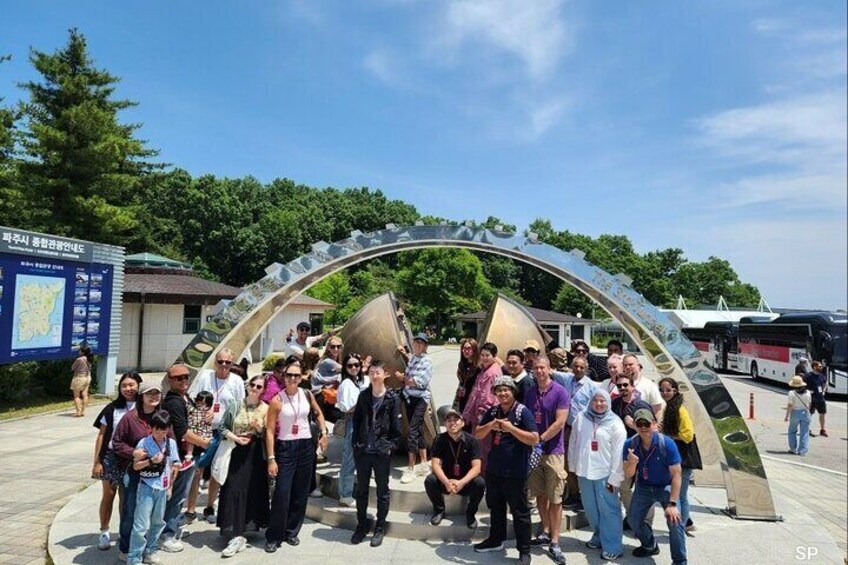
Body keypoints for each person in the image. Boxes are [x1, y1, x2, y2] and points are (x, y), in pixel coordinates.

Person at [473, 376, 539, 565]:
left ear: (513, 391)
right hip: (495, 470)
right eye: (499, 390)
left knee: (520, 513)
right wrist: (490, 425)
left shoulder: (522, 412)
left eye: (506, 390)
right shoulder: (493, 411)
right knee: (496, 508)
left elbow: (534, 438)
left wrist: (511, 429)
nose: (502, 394)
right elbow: (478, 433)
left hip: (516, 472)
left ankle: (524, 550)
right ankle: (495, 540)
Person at [265, 360, 328, 552]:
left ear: (301, 378)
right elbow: (269, 431)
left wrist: (324, 433)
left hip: (305, 446)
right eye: (289, 375)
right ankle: (274, 535)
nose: (293, 378)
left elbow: (318, 414)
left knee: (300, 493)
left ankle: (292, 531)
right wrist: (271, 458)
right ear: (284, 377)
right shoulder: (277, 400)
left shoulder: (307, 394)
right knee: (282, 493)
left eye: (296, 375)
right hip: (286, 447)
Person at [111, 380, 172, 561]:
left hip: (158, 477)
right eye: (149, 393)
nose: (154, 397)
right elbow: (117, 442)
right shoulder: (130, 418)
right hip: (136, 474)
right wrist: (133, 452)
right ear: (141, 396)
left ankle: (149, 550)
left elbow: (171, 441)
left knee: (155, 517)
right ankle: (127, 548)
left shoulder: (163, 416)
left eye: (157, 393)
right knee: (131, 511)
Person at [187, 348, 245, 523]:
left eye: (228, 362)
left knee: (217, 470)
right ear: (215, 362)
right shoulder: (205, 376)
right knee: (197, 470)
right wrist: (202, 411)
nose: (224, 365)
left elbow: (240, 406)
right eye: (221, 362)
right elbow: (192, 398)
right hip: (202, 430)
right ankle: (190, 509)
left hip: (223, 431)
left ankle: (210, 506)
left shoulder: (237, 381)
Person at [568, 388, 627, 561]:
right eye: (596, 400)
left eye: (603, 401)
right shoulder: (581, 417)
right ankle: (599, 536)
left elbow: (618, 453)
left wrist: (615, 477)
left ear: (608, 402)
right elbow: (573, 442)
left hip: (605, 474)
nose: (599, 404)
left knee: (609, 510)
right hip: (585, 471)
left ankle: (613, 546)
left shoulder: (615, 423)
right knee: (591, 509)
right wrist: (572, 465)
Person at [624, 408, 687, 565]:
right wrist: (632, 462)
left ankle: (680, 561)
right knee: (633, 520)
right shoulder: (630, 444)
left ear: (653, 423)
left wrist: (672, 503)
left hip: (665, 486)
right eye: (640, 423)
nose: (644, 427)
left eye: (647, 423)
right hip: (644, 486)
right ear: (635, 425)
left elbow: (677, 475)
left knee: (675, 521)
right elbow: (628, 474)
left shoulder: (667, 444)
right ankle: (650, 545)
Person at [217, 375, 270, 557]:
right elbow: (222, 427)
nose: (255, 389)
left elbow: (268, 434)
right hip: (235, 450)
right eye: (253, 385)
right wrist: (235, 438)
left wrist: (260, 429)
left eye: (259, 387)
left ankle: (246, 528)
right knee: (233, 487)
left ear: (263, 390)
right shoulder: (235, 404)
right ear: (248, 387)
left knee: (252, 488)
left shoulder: (265, 408)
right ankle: (234, 529)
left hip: (254, 453)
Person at [350, 361, 402, 547]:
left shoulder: (392, 398)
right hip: (363, 451)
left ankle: (379, 527)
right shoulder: (363, 396)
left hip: (381, 452)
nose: (374, 376)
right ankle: (362, 525)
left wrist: (389, 447)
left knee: (382, 491)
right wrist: (356, 444)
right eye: (371, 372)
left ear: (384, 374)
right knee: (362, 490)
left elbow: (397, 429)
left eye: (377, 372)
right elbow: (356, 422)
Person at [160, 365, 212, 552]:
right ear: (170, 380)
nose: (183, 380)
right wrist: (206, 444)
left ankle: (170, 528)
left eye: (186, 377)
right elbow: (183, 432)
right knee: (176, 496)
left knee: (179, 495)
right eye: (178, 378)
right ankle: (166, 534)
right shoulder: (174, 402)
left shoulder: (185, 397)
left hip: (189, 454)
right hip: (181, 457)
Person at [525, 358, 570, 565]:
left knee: (555, 498)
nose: (540, 371)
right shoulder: (530, 392)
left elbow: (560, 422)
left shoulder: (560, 391)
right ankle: (544, 529)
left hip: (553, 452)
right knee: (540, 494)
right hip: (534, 453)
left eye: (543, 367)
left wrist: (540, 439)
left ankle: (555, 541)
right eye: (536, 368)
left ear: (549, 369)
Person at [91, 372, 141, 551]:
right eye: (124, 385)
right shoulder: (112, 408)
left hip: (132, 458)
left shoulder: (143, 406)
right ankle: (104, 531)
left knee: (126, 496)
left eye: (132, 385)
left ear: (138, 385)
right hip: (111, 457)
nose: (128, 388)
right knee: (108, 494)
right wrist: (97, 461)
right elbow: (102, 435)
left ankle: (123, 532)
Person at [128, 410, 181, 565]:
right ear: (151, 428)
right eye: (156, 429)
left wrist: (170, 486)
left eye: (163, 429)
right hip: (146, 486)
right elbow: (136, 466)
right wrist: (151, 461)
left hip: (163, 488)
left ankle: (151, 551)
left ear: (168, 429)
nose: (159, 433)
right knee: (141, 525)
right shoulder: (144, 443)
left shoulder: (170, 443)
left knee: (158, 522)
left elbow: (174, 465)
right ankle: (134, 558)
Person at [425, 409, 485, 528]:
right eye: (449, 420)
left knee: (480, 483)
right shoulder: (439, 439)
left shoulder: (473, 441)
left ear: (462, 423)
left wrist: (461, 482)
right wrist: (446, 482)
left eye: (456, 420)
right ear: (445, 424)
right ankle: (439, 510)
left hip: (465, 482)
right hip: (446, 481)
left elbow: (477, 468)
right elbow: (435, 464)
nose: (452, 423)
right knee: (430, 480)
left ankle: (470, 513)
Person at [611, 372, 653, 529]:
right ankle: (632, 517)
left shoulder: (641, 406)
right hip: (623, 453)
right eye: (619, 385)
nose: (622, 388)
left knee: (643, 487)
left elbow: (653, 430)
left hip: (642, 453)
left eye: (625, 385)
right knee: (624, 488)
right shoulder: (614, 403)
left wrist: (634, 426)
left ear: (632, 386)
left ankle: (646, 522)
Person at [658, 378, 701, 533]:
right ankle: (685, 524)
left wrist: (669, 435)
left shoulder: (679, 410)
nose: (665, 393)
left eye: (668, 390)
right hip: (676, 455)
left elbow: (688, 435)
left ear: (675, 390)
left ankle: (680, 527)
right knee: (678, 492)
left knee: (680, 494)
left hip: (684, 456)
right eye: (662, 390)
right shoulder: (670, 407)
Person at [397, 333, 433, 483]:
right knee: (417, 430)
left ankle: (411, 468)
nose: (418, 345)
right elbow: (411, 359)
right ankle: (424, 464)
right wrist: (404, 353)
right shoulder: (414, 358)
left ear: (425, 346)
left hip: (419, 399)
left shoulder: (427, 361)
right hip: (409, 398)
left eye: (421, 343)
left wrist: (402, 379)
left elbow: (418, 382)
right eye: (416, 342)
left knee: (412, 431)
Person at [561, 355, 597, 509]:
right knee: (569, 461)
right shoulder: (566, 379)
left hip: (584, 429)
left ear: (586, 369)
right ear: (571, 367)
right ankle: (573, 493)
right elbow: (549, 370)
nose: (578, 369)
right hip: (568, 428)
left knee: (583, 460)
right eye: (576, 366)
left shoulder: (592, 387)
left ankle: (584, 494)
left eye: (582, 367)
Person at [461, 342, 501, 472]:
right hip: (476, 418)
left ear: (494, 356)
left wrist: (481, 419)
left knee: (482, 451)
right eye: (482, 355)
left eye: (487, 355)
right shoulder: (485, 370)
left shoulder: (492, 373)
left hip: (483, 419)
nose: (484, 358)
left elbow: (488, 399)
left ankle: (482, 479)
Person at [337, 352, 370, 506]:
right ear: (345, 367)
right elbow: (346, 407)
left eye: (356, 365)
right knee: (349, 458)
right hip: (353, 421)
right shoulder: (346, 384)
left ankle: (348, 491)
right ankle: (345, 493)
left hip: (363, 421)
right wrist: (364, 403)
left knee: (357, 457)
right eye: (350, 365)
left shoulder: (359, 381)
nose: (354, 368)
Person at [184, 390, 215, 524]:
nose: (201, 405)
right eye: (199, 402)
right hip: (193, 437)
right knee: (194, 475)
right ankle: (190, 510)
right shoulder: (191, 407)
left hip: (206, 438)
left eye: (205, 403)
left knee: (202, 473)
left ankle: (208, 506)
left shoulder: (207, 411)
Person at [313, 336, 344, 423]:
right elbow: (346, 370)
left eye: (338, 346)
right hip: (322, 396)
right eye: (333, 346)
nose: (336, 349)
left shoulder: (335, 361)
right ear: (328, 348)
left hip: (328, 395)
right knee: (321, 421)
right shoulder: (328, 361)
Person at [785, 375, 812, 456]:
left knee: (792, 431)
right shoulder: (808, 392)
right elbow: (809, 403)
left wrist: (787, 416)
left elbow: (790, 405)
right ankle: (803, 450)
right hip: (805, 412)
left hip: (795, 412)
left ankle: (793, 448)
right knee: (804, 432)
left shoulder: (792, 393)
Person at [454, 338, 480, 413]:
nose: (466, 351)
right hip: (462, 399)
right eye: (464, 348)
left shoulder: (479, 367)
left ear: (474, 350)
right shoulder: (462, 365)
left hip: (473, 402)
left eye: (469, 348)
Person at [805, 361, 828, 437]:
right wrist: (808, 391)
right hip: (812, 398)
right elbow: (803, 385)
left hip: (820, 398)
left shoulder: (821, 376)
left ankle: (822, 430)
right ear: (815, 367)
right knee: (810, 414)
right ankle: (807, 429)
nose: (821, 367)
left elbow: (825, 382)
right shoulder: (808, 376)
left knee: (823, 413)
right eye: (820, 366)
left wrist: (824, 390)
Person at [71, 345, 93, 417]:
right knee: (85, 394)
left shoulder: (79, 359)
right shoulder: (89, 358)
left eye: (80, 350)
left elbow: (73, 368)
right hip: (88, 377)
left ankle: (78, 412)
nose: (79, 351)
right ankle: (83, 411)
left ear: (83, 352)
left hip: (79, 377)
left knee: (76, 396)